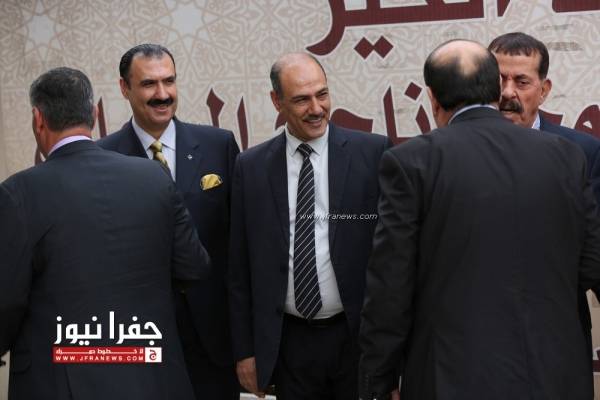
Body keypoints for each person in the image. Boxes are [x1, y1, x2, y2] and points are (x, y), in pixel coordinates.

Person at [358, 39, 600, 400]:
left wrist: (378, 379)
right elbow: (591, 264)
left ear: (432, 98)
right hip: (552, 373)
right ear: (494, 90)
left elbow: (390, 286)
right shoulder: (566, 156)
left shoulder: (411, 162)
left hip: (452, 375)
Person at [0, 67, 210, 399]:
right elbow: (193, 266)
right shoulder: (154, 177)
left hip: (63, 383)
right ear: (94, 114)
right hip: (153, 377)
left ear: (38, 119)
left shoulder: (18, 193)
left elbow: (6, 302)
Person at [228, 52, 391, 399]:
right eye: (302, 99)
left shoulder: (372, 152)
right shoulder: (250, 167)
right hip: (290, 344)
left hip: (356, 338)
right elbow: (239, 269)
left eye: (322, 94)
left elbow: (393, 255)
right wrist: (245, 352)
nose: (316, 109)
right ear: (277, 101)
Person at [97, 44, 240, 399]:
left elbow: (241, 246)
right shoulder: (102, 158)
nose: (162, 94)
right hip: (140, 340)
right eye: (149, 84)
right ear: (124, 88)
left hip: (213, 341)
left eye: (169, 81)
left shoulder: (218, 145)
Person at [489, 31, 600, 381]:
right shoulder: (452, 154)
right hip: (481, 340)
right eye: (499, 81)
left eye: (521, 81)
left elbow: (593, 251)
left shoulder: (582, 152)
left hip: (558, 335)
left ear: (544, 89)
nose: (508, 93)